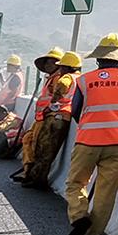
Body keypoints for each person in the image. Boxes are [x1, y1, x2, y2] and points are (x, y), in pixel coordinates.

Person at [64, 33, 118, 235]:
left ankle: (79, 216)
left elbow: (75, 110)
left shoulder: (84, 80)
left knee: (75, 183)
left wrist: (88, 125)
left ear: (98, 58)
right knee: (106, 194)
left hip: (88, 141)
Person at [19, 51, 81, 189]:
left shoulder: (66, 78)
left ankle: (37, 180)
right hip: (63, 117)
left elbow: (62, 87)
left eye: (62, 66)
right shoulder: (80, 78)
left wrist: (53, 103)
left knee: (43, 151)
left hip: (55, 117)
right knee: (47, 151)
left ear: (67, 66)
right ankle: (35, 177)